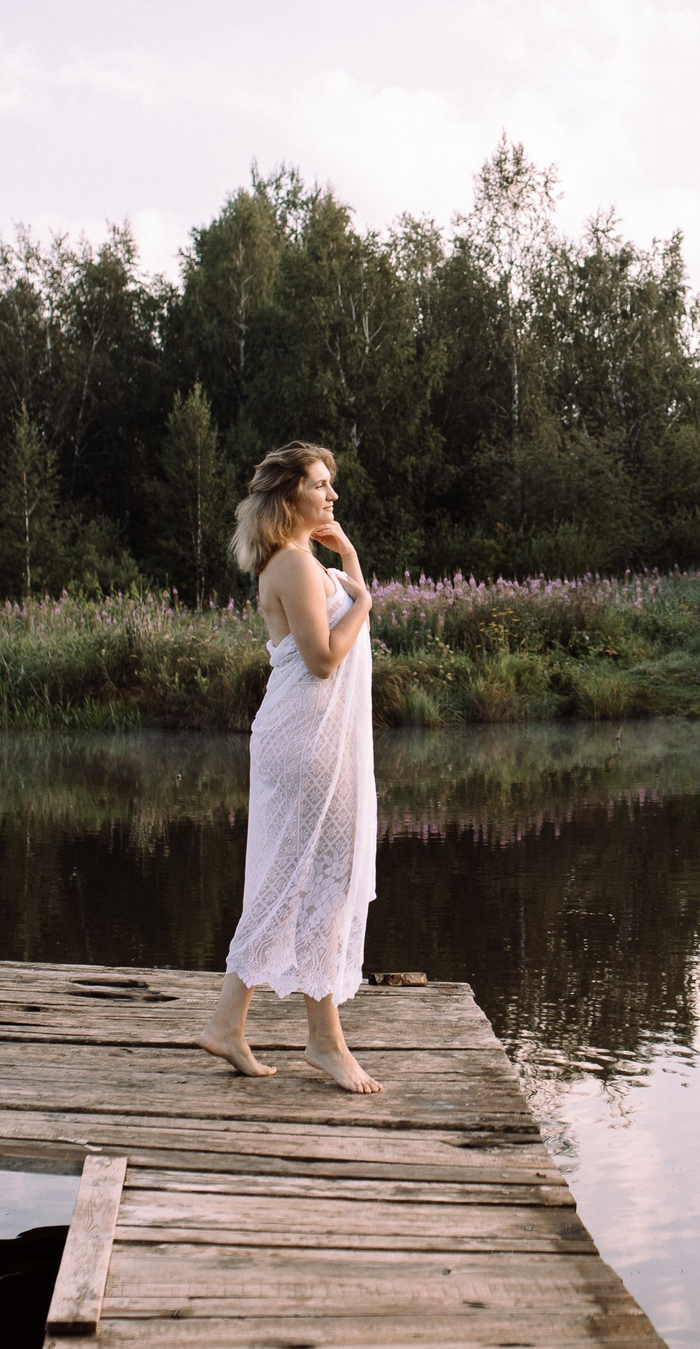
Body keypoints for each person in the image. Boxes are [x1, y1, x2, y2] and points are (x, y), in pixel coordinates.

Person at [195, 442, 382, 1092]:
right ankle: (325, 1044)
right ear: (290, 495)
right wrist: (365, 600)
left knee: (296, 881)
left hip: (309, 736)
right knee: (312, 884)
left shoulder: (304, 561)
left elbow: (333, 629)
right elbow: (325, 657)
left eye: (331, 485)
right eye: (321, 485)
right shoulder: (297, 565)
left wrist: (352, 563)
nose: (331, 496)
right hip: (306, 740)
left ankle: (229, 1024)